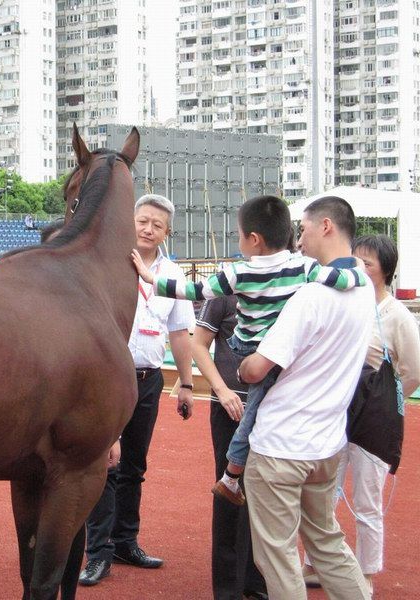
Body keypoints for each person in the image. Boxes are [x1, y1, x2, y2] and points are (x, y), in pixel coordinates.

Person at [131, 195, 366, 506]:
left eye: (239, 235)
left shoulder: (237, 272)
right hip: (273, 351)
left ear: (253, 240)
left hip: (245, 346)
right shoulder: (304, 267)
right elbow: (343, 278)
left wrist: (150, 279)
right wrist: (360, 269)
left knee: (253, 409)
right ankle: (231, 475)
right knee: (254, 409)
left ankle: (231, 475)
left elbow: (194, 291)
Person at [238, 196, 372, 600]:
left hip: (281, 445)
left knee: (277, 556)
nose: (300, 238)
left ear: (326, 226)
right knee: (327, 543)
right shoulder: (364, 288)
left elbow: (258, 368)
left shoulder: (311, 296)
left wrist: (243, 366)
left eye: (306, 228)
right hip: (326, 446)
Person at [79, 194, 195, 587]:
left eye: (156, 225)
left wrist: (186, 383)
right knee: (104, 465)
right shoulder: (107, 265)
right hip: (108, 380)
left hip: (148, 381)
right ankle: (98, 553)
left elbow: (180, 333)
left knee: (134, 466)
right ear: (130, 222)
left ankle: (126, 541)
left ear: (168, 231)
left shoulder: (172, 274)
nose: (147, 229)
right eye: (142, 221)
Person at [303, 234, 420, 595]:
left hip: (374, 419)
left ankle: (365, 572)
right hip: (336, 411)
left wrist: (384, 394)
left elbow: (413, 369)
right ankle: (316, 563)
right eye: (356, 260)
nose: (360, 268)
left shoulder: (395, 314)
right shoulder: (345, 303)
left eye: (368, 263)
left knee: (367, 501)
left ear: (385, 270)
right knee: (323, 494)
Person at [192, 297, 268, 600]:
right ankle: (228, 589)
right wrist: (222, 391)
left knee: (267, 493)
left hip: (276, 408)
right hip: (231, 407)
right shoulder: (226, 287)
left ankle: (258, 580)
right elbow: (198, 344)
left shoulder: (293, 282)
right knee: (230, 492)